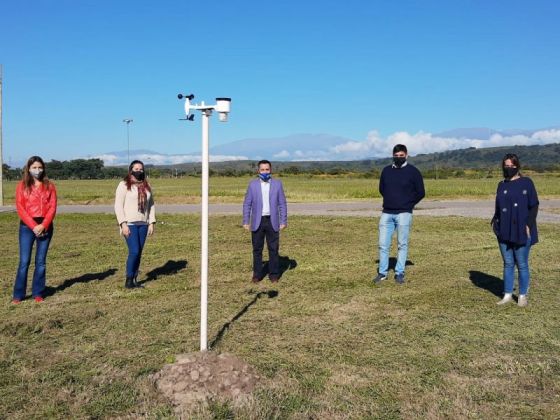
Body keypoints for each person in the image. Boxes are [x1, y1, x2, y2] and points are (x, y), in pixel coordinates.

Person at [492, 153, 539, 307]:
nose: (509, 168)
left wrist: (528, 225)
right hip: (504, 230)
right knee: (508, 263)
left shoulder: (526, 183)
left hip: (521, 229)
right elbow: (498, 207)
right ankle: (507, 294)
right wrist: (495, 223)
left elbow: (534, 205)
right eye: (506, 165)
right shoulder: (501, 184)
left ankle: (522, 295)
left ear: (517, 166)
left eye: (512, 165)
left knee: (522, 264)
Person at [374, 144, 425, 285]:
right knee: (383, 244)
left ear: (406, 155)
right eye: (396, 156)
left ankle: (399, 272)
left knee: (402, 244)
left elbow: (421, 192)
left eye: (401, 156)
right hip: (387, 213)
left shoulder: (413, 172)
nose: (398, 158)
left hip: (404, 213)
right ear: (392, 156)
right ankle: (382, 273)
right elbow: (382, 189)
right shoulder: (386, 171)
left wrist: (408, 204)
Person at [12, 156, 57, 304]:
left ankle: (38, 292)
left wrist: (43, 225)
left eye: (39, 167)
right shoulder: (22, 186)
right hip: (27, 227)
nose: (37, 170)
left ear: (43, 168)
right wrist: (33, 226)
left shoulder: (49, 186)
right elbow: (20, 207)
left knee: (41, 262)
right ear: (28, 169)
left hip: (45, 226)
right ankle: (18, 294)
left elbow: (52, 207)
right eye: (34, 167)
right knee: (24, 261)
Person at [243, 160, 287, 283]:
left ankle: (273, 274)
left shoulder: (278, 184)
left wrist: (283, 220)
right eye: (262, 170)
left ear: (270, 170)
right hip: (258, 221)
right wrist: (246, 221)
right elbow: (247, 204)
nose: (265, 172)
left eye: (267, 169)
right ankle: (257, 274)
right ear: (258, 171)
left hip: (272, 221)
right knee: (257, 249)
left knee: (273, 249)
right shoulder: (253, 185)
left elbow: (282, 203)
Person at [114, 160, 156, 289]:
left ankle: (134, 279)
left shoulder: (146, 185)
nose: (139, 171)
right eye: (136, 169)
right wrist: (123, 224)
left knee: (139, 252)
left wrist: (151, 222)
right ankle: (128, 279)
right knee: (134, 251)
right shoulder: (123, 185)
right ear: (131, 170)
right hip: (130, 223)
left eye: (141, 169)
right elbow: (118, 205)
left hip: (143, 223)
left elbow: (151, 204)